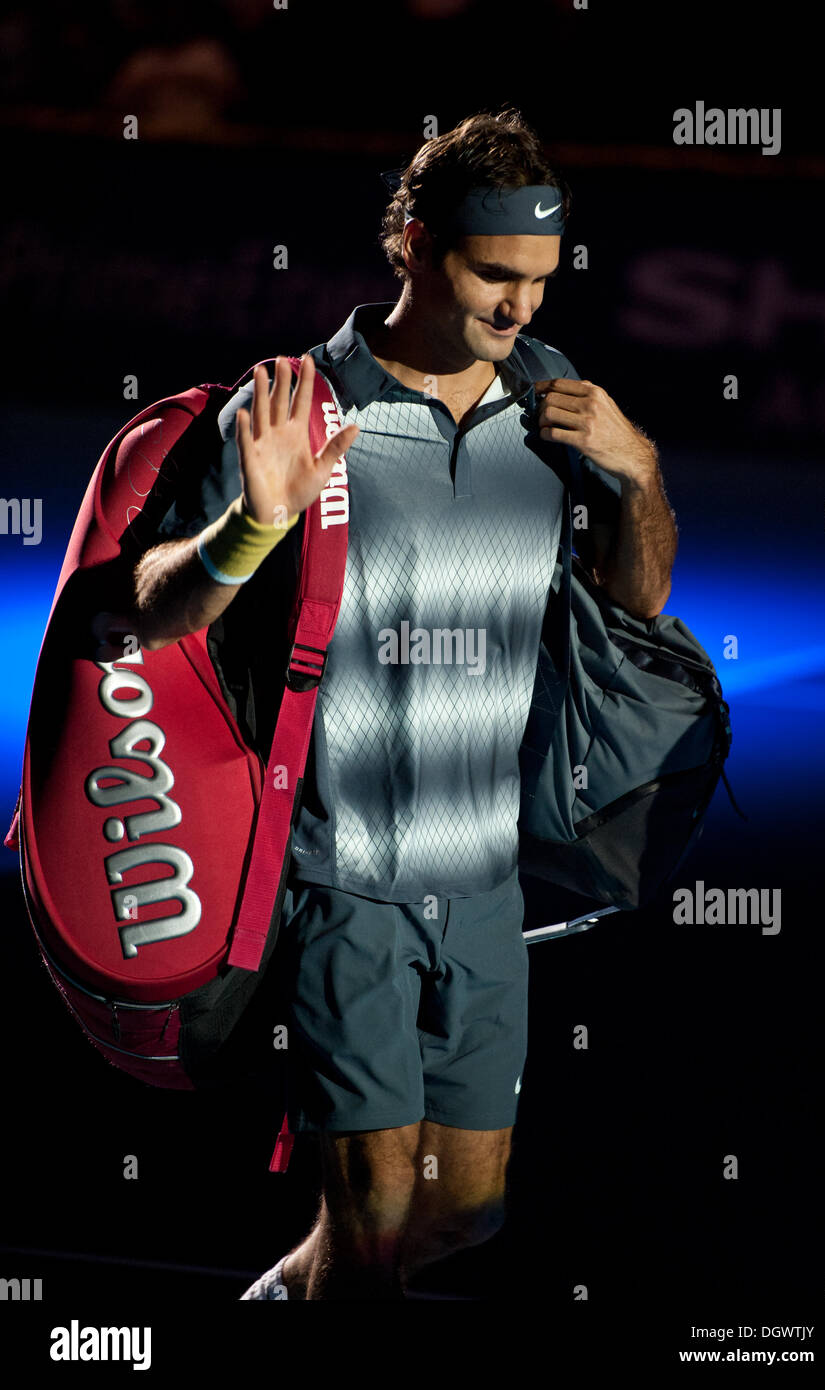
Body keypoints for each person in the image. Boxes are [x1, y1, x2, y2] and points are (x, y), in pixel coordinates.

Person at [124, 106, 678, 1300]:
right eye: (494, 273)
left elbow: (637, 603)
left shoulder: (556, 395)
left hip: (485, 885)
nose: (521, 307)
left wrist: (638, 473)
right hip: (345, 884)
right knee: (369, 1234)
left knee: (465, 1215)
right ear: (417, 246)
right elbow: (155, 607)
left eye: (538, 278)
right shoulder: (293, 404)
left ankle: (274, 1297)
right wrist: (254, 521)